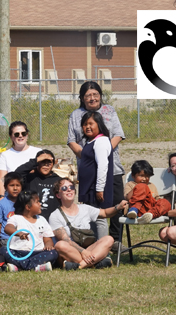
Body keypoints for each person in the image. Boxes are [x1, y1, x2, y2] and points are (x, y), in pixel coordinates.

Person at [68, 81, 126, 245]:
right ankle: (94, 241)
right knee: (91, 207)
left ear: (100, 96)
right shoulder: (76, 115)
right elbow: (72, 140)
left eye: (95, 94)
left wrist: (104, 151)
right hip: (88, 170)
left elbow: (118, 135)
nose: (92, 98)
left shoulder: (109, 110)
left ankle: (115, 241)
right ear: (82, 98)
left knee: (115, 204)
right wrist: (87, 155)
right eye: (88, 95)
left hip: (112, 168)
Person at [50, 178, 127, 270]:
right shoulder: (55, 215)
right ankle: (97, 261)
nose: (69, 189)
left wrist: (118, 207)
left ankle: (80, 266)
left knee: (109, 239)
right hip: (72, 251)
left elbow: (105, 213)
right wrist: (83, 252)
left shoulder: (84, 208)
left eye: (71, 187)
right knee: (60, 245)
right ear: (58, 195)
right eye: (64, 188)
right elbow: (66, 240)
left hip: (89, 249)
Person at [78, 111, 114, 242]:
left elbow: (103, 166)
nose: (87, 127)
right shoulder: (90, 141)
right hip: (88, 187)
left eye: (91, 124)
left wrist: (99, 188)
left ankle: (103, 248)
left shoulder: (101, 141)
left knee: (99, 218)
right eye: (84, 124)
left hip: (95, 188)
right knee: (90, 216)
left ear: (99, 124)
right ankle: (94, 247)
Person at [2, 191, 57, 272]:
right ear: (28, 207)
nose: (40, 204)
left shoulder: (42, 220)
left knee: (53, 253)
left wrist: (48, 245)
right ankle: (36, 267)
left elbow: (48, 239)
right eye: (37, 202)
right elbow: (7, 228)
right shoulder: (16, 218)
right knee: (3, 250)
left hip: (37, 253)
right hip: (18, 252)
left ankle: (19, 266)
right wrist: (19, 233)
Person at [0, 121, 41, 207]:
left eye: (23, 133)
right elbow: (1, 179)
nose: (20, 136)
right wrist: (1, 197)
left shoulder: (37, 152)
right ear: (11, 137)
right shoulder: (5, 155)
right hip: (13, 195)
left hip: (33, 194)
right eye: (16, 134)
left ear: (27, 135)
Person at [13, 149, 62, 219]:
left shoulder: (58, 180)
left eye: (49, 162)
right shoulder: (29, 178)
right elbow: (16, 174)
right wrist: (35, 161)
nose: (46, 165)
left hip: (52, 220)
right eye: (42, 161)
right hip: (31, 220)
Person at [124, 160, 171, 224]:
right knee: (142, 186)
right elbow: (128, 198)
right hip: (137, 209)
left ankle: (150, 214)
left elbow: (157, 198)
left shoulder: (151, 185)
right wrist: (138, 188)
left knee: (165, 202)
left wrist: (160, 203)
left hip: (151, 209)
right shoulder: (130, 184)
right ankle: (134, 209)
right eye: (141, 176)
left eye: (147, 176)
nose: (144, 179)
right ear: (133, 175)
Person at [0, 172, 23, 257]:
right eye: (12, 185)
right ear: (5, 187)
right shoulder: (1, 204)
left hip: (21, 237)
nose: (15, 188)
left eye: (18, 185)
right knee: (9, 254)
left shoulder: (24, 202)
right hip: (6, 238)